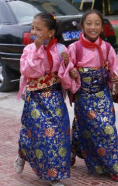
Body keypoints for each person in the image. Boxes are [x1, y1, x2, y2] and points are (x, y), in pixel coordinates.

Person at [58, 9, 118, 182]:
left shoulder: (107, 47)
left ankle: (113, 167)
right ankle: (87, 157)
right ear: (82, 26)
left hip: (102, 94)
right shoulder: (74, 48)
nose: (93, 27)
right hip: (84, 96)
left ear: (102, 27)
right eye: (89, 23)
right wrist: (71, 71)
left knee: (108, 128)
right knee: (87, 129)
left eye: (97, 24)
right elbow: (66, 70)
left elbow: (115, 67)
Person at [15, 13, 71, 186]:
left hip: (54, 97)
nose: (34, 32)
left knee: (59, 135)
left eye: (38, 29)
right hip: (35, 99)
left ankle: (55, 175)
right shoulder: (29, 50)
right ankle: (23, 153)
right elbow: (29, 71)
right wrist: (38, 49)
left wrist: (67, 65)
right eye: (33, 28)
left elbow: (65, 76)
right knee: (38, 135)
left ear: (51, 32)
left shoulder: (61, 49)